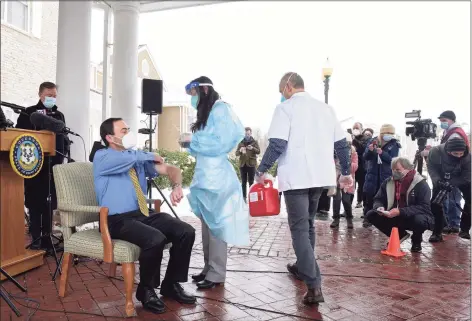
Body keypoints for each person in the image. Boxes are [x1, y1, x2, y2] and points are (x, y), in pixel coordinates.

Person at [255, 72, 352, 305]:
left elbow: (277, 143)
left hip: (297, 177)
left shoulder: (285, 109)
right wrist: (346, 171)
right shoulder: (325, 109)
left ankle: (314, 285)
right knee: (307, 224)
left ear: (288, 86)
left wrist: (262, 169)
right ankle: (302, 266)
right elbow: (341, 143)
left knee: (299, 228)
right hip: (320, 177)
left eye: (281, 91)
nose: (282, 96)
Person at [93, 118, 196, 314]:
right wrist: (148, 154)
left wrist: (177, 186)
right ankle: (146, 290)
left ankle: (171, 284)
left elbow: (170, 169)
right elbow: (131, 158)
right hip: (116, 220)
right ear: (109, 137)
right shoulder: (102, 156)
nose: (129, 133)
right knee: (155, 239)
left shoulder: (136, 158)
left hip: (142, 213)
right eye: (123, 131)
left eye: (128, 129)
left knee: (186, 231)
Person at [181, 76, 249, 289]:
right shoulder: (207, 112)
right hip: (205, 176)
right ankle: (209, 267)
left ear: (204, 90)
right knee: (207, 225)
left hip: (217, 178)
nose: (193, 99)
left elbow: (222, 142)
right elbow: (203, 144)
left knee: (217, 226)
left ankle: (217, 273)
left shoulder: (221, 109)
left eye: (194, 94)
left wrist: (194, 141)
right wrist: (189, 144)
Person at [16, 82, 69, 251]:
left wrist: (62, 157)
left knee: (49, 203)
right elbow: (19, 136)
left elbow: (63, 138)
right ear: (40, 95)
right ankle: (36, 238)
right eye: (48, 95)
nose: (51, 98)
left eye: (54, 95)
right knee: (34, 202)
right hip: (33, 165)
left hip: (52, 167)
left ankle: (47, 238)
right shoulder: (28, 113)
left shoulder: (59, 115)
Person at [365, 157, 433, 252]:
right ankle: (400, 235)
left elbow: (424, 207)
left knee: (419, 220)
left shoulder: (421, 184)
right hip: (393, 214)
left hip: (412, 215)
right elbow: (378, 198)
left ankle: (416, 240)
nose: (394, 172)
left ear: (408, 169)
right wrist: (379, 207)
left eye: (397, 170)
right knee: (371, 214)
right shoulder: (388, 182)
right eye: (392, 169)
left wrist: (400, 211)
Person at [427, 138, 471, 241]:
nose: (459, 156)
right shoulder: (435, 152)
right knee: (435, 203)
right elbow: (431, 168)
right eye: (456, 153)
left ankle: (464, 230)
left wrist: (452, 183)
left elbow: (467, 176)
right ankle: (437, 232)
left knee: (470, 200)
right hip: (441, 178)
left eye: (461, 153)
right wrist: (438, 181)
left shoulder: (468, 157)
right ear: (448, 151)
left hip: (460, 178)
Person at [362, 124, 401, 227]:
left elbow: (393, 160)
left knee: (384, 198)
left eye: (391, 133)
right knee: (369, 197)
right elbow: (366, 157)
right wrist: (370, 150)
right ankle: (367, 218)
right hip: (372, 174)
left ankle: (383, 218)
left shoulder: (394, 144)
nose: (389, 135)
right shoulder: (373, 141)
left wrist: (382, 153)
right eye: (387, 133)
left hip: (386, 174)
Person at [438, 110, 469, 234]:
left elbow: (449, 152)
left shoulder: (455, 134)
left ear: (452, 120)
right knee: (450, 196)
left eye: (444, 121)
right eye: (441, 121)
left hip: (455, 169)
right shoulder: (450, 132)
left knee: (452, 196)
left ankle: (453, 223)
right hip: (452, 168)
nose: (442, 123)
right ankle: (451, 222)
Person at [331, 133, 358, 229]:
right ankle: (335, 219)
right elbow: (330, 165)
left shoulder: (353, 153)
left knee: (346, 200)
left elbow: (355, 167)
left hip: (347, 180)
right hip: (336, 178)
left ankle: (349, 218)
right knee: (336, 199)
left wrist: (347, 164)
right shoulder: (333, 152)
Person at [235, 127, 261, 202]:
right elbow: (236, 153)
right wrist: (240, 151)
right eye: (246, 134)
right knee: (243, 182)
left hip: (251, 164)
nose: (247, 135)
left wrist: (252, 148)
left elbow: (259, 151)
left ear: (251, 133)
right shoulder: (240, 142)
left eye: (248, 134)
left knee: (251, 182)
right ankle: (244, 198)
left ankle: (252, 198)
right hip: (242, 165)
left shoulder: (254, 142)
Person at [351, 122, 370, 208]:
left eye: (357, 128)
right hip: (352, 166)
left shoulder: (366, 139)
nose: (355, 130)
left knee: (361, 185)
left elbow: (364, 150)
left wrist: (355, 141)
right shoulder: (350, 138)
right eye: (354, 128)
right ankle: (348, 204)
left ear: (361, 129)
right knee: (351, 186)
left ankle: (359, 201)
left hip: (362, 165)